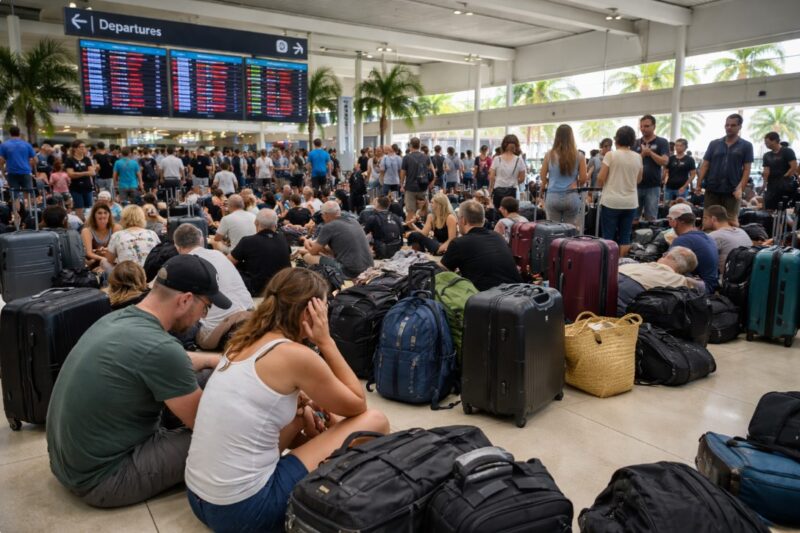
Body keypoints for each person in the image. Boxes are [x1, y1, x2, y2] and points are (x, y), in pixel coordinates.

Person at [184, 268, 389, 532]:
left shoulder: (240, 342)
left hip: (200, 499)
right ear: (310, 312)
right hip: (245, 512)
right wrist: (326, 342)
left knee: (300, 413)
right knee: (373, 421)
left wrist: (303, 413)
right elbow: (358, 404)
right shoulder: (294, 355)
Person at [47, 254, 228, 508]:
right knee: (224, 440)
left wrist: (213, 360)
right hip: (103, 480)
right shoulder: (161, 348)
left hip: (69, 464)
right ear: (186, 300)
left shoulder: (117, 319)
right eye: (206, 307)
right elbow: (207, 427)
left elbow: (168, 358)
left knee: (206, 376)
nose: (202, 316)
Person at [173, 224, 254, 351]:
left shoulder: (183, 264)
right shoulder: (218, 255)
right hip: (250, 316)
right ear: (201, 240)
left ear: (176, 246)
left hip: (217, 333)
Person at [441, 200, 522, 291]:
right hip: (516, 293)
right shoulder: (498, 237)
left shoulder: (459, 243)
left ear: (463, 220)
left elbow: (442, 271)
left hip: (487, 300)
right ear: (483, 220)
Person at [696, 114, 754, 221]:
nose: (729, 128)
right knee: (709, 220)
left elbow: (747, 169)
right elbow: (705, 165)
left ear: (739, 127)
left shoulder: (746, 145)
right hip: (712, 189)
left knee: (731, 221)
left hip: (732, 191)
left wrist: (740, 188)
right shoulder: (714, 144)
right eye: (727, 125)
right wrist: (698, 184)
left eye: (733, 125)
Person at [596, 126, 643, 257]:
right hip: (630, 202)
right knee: (625, 236)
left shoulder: (611, 155)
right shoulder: (638, 157)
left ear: (616, 139)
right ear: (633, 140)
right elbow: (639, 179)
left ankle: (608, 266)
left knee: (608, 237)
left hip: (611, 201)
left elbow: (600, 178)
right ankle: (622, 266)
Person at [299, 201, 373, 279]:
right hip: (368, 267)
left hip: (350, 271)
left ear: (325, 215)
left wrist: (305, 241)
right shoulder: (354, 221)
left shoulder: (329, 226)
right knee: (325, 250)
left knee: (307, 256)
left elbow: (313, 252)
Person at [617, 246, 700, 316]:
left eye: (664, 255)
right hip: (622, 305)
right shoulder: (680, 281)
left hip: (612, 283)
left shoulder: (635, 265)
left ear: (669, 256)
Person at [230, 209, 291, 297]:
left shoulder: (247, 241)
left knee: (234, 266)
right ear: (275, 224)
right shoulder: (283, 238)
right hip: (281, 286)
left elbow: (228, 262)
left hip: (257, 289)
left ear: (256, 222)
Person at [540, 124, 587, 226]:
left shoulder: (549, 155)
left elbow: (542, 176)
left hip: (553, 196)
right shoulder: (579, 156)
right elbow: (584, 178)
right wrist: (576, 183)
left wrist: (550, 182)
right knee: (569, 231)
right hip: (571, 197)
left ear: (557, 137)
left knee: (553, 231)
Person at [667, 203, 719, 293]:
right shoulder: (707, 236)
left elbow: (668, 268)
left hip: (701, 290)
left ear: (674, 222)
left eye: (669, 220)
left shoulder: (682, 241)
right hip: (711, 286)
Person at [633, 115, 669, 222]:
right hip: (636, 185)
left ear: (654, 126)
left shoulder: (662, 142)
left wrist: (651, 153)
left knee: (651, 218)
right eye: (642, 126)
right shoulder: (635, 143)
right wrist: (643, 154)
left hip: (653, 186)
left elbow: (665, 161)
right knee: (633, 217)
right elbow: (632, 163)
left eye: (647, 126)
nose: (643, 129)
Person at [105, 205, 161, 270]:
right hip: (150, 273)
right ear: (142, 218)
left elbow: (109, 260)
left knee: (103, 262)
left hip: (127, 275)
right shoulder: (152, 233)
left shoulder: (117, 236)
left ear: (123, 218)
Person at [0, 125, 36, 225]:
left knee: (14, 196)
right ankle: (29, 216)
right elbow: (35, 160)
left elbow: (1, 161)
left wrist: (3, 172)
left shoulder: (4, 145)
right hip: (25, 172)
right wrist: (28, 166)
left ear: (10, 133)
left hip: (11, 172)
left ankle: (17, 217)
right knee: (28, 194)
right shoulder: (26, 144)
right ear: (19, 133)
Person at [703, 205, 753, 277]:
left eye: (705, 218)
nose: (703, 221)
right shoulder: (742, 231)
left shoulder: (714, 236)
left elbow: (703, 260)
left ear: (713, 219)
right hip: (745, 278)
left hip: (725, 280)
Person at [400, 137, 434, 225]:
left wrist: (401, 185)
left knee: (410, 212)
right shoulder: (426, 157)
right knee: (424, 210)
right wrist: (431, 183)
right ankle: (426, 229)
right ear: (419, 145)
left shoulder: (406, 158)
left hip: (410, 188)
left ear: (410, 145)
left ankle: (410, 231)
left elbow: (403, 173)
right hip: (423, 187)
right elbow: (433, 172)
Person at [42, 205, 86, 270]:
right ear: (64, 220)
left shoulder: (39, 236)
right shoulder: (73, 234)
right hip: (72, 277)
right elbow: (80, 260)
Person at [762, 132, 798, 211]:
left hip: (785, 185)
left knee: (783, 208)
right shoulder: (766, 155)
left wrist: (785, 177)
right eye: (765, 143)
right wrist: (764, 183)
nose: (766, 144)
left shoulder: (787, 151)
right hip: (771, 185)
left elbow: (794, 167)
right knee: (769, 207)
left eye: (767, 142)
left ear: (774, 141)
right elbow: (766, 171)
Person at [489, 135, 526, 210]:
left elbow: (491, 177)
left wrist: (491, 190)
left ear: (503, 145)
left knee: (498, 214)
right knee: (512, 215)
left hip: (498, 192)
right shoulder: (519, 160)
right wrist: (513, 181)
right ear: (517, 145)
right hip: (513, 192)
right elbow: (522, 178)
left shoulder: (497, 159)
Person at [81, 203, 122, 271]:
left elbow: (118, 249)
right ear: (94, 216)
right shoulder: (86, 231)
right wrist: (104, 258)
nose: (103, 215)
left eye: (105, 213)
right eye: (99, 213)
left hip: (112, 260)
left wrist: (106, 251)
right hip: (95, 261)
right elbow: (88, 253)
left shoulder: (116, 227)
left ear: (109, 215)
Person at [64, 140, 96, 220]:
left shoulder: (87, 159)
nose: (83, 149)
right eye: (80, 147)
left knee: (89, 208)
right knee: (79, 208)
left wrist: (78, 173)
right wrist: (86, 173)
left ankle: (88, 224)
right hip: (76, 188)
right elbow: (70, 174)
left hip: (87, 187)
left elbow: (92, 172)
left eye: (84, 147)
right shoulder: (70, 160)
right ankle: (81, 225)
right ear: (75, 148)